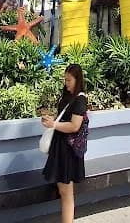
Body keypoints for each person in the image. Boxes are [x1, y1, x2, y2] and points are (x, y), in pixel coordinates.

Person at [41, 64, 87, 223]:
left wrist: (54, 125)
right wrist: (51, 121)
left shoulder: (80, 99)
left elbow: (75, 125)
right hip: (60, 147)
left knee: (66, 192)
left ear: (77, 80)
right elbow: (63, 118)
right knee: (63, 189)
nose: (66, 83)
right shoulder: (67, 96)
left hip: (68, 149)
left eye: (69, 80)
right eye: (65, 79)